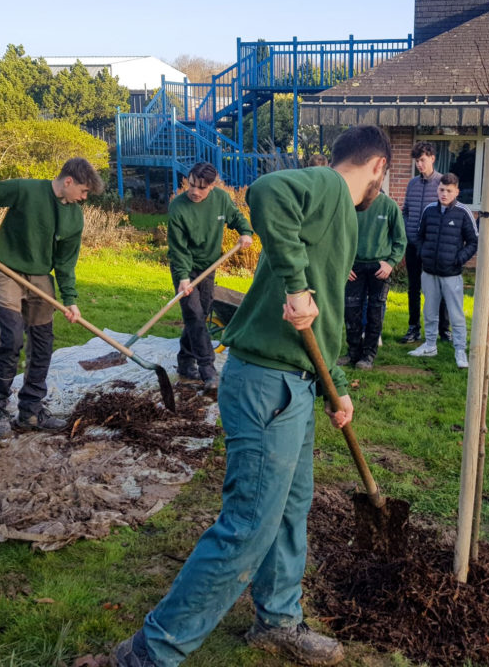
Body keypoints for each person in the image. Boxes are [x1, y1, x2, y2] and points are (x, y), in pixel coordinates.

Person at [113, 125, 391, 667]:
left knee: (290, 510)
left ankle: (278, 621)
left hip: (298, 382)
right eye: (387, 172)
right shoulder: (332, 187)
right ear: (377, 164)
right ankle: (151, 652)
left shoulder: (330, 209)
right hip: (267, 384)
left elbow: (320, 311)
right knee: (248, 525)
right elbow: (264, 193)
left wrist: (329, 385)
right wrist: (294, 284)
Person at [0, 157, 104, 439]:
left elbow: (65, 263)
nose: (84, 198)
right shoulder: (26, 190)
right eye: (84, 191)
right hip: (7, 271)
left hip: (40, 278)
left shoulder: (75, 216)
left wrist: (70, 299)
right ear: (69, 181)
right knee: (12, 337)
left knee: (42, 343)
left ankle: (31, 409)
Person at [167, 163, 254, 390]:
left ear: (212, 186)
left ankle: (185, 363)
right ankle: (208, 370)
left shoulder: (221, 200)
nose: (195, 191)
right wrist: (184, 278)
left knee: (199, 315)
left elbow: (236, 218)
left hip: (209, 267)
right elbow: (179, 249)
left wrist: (245, 232)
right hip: (184, 269)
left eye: (202, 188)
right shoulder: (178, 207)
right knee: (195, 315)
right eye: (192, 184)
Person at [407, 172, 478, 368]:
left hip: (451, 274)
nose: (444, 194)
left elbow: (473, 241)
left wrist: (459, 259)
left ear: (456, 191)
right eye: (441, 190)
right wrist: (423, 253)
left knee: (456, 315)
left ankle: (460, 350)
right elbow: (420, 235)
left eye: (448, 190)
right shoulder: (429, 210)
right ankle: (430, 345)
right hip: (429, 271)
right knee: (429, 311)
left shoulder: (464, 212)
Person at [340, 189, 405, 369]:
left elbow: (400, 240)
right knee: (351, 311)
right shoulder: (350, 205)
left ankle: (368, 355)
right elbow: (339, 237)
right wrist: (344, 265)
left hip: (379, 268)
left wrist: (391, 263)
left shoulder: (389, 206)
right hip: (354, 267)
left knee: (375, 313)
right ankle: (353, 353)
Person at [399, 141, 449, 344]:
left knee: (438, 287)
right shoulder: (412, 184)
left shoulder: (442, 183)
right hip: (412, 245)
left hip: (432, 246)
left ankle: (443, 329)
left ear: (432, 158)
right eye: (417, 161)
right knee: (414, 287)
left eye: (422, 160)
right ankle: (413, 327)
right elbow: (406, 211)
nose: (419, 164)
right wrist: (406, 231)